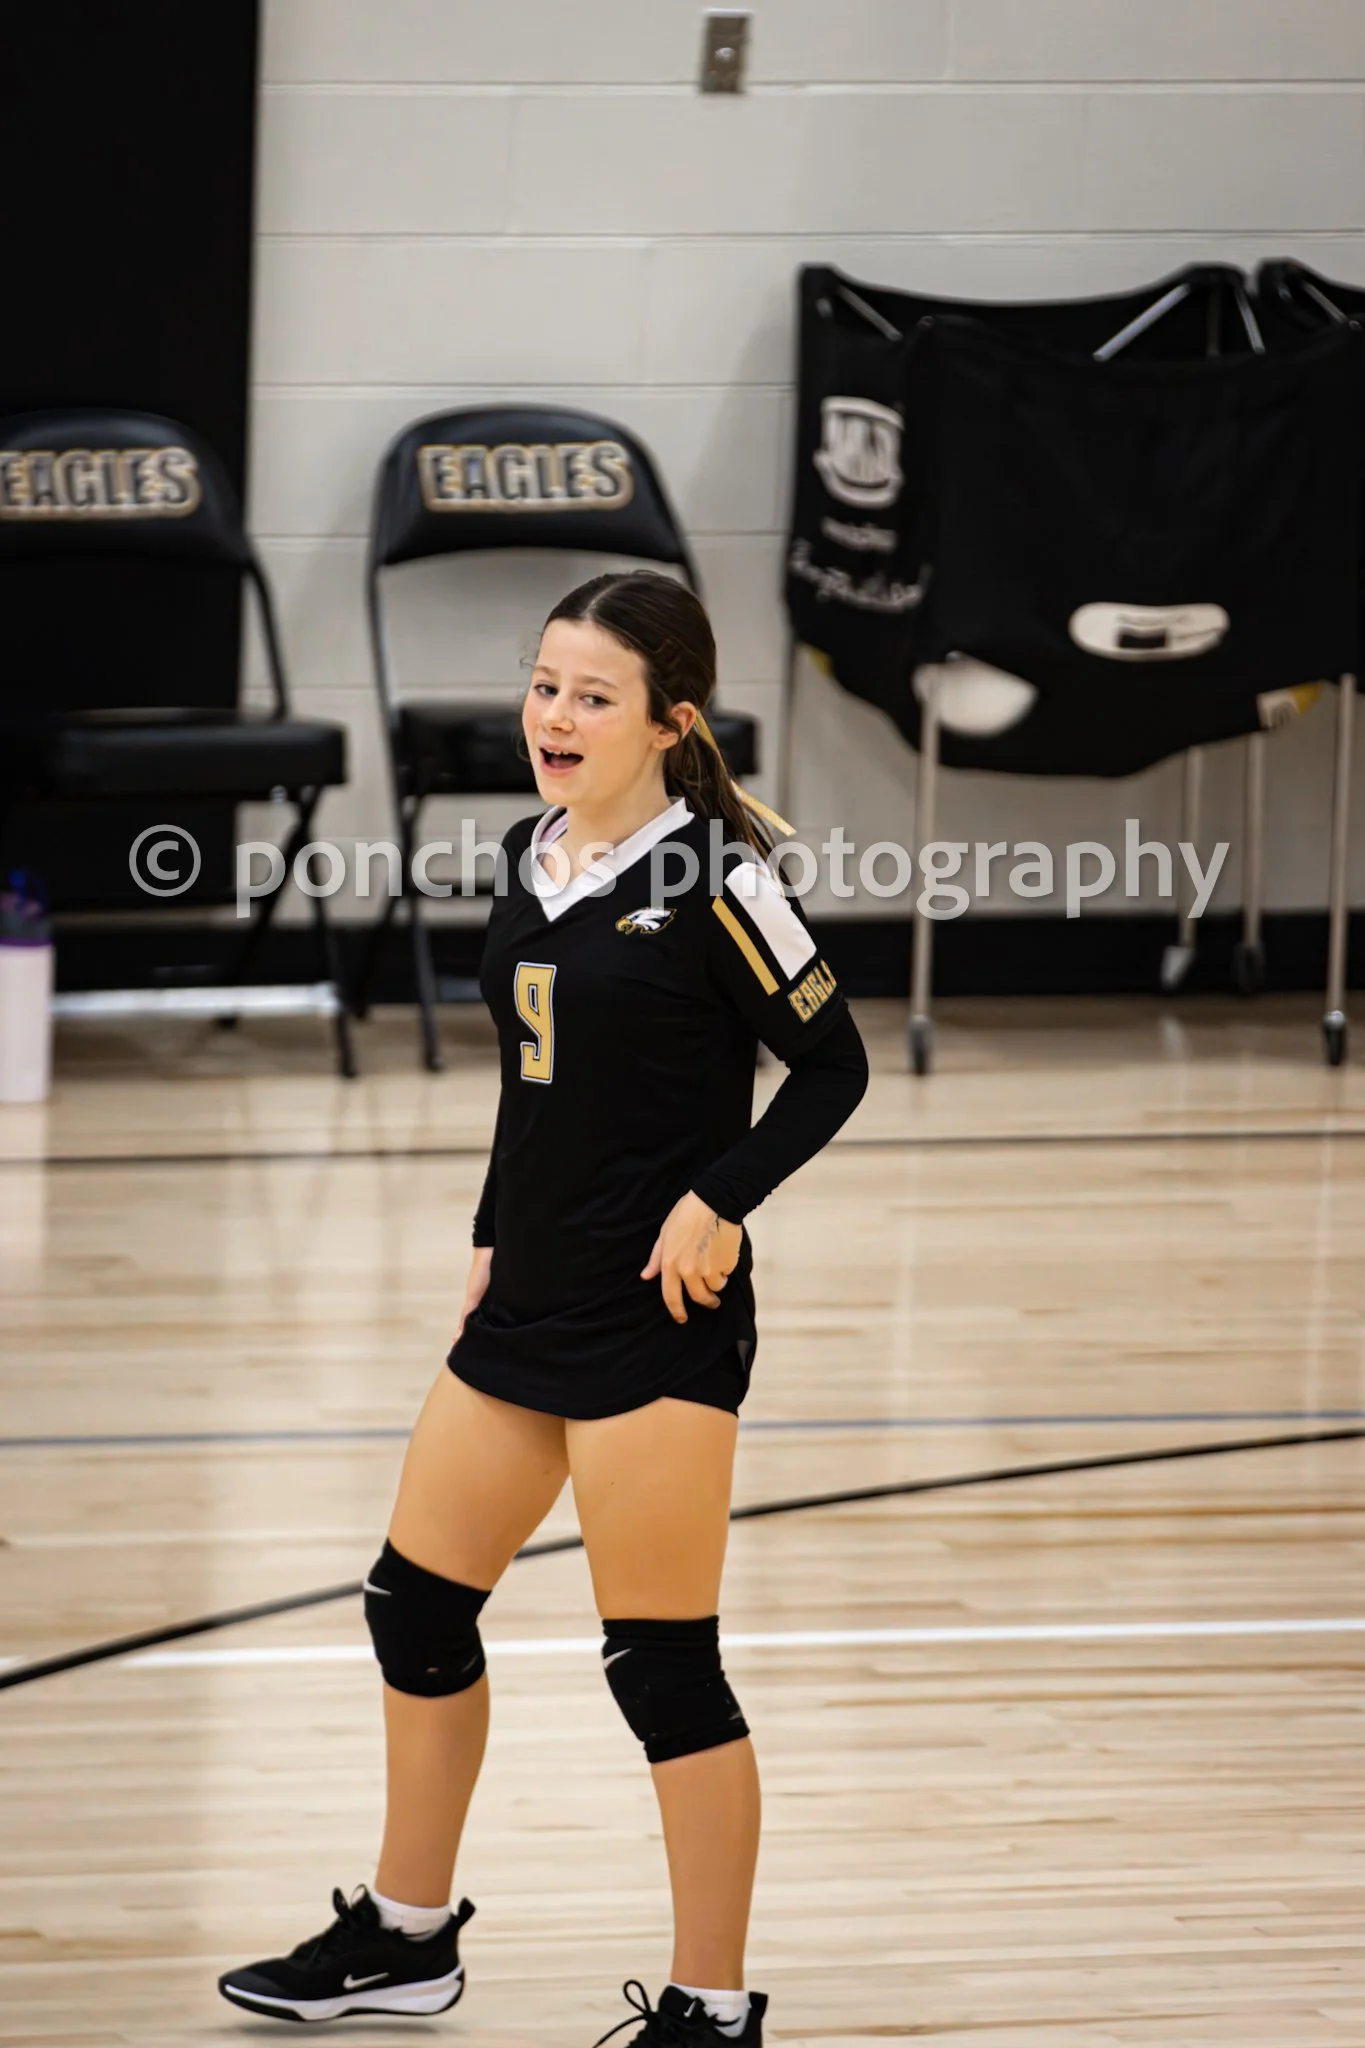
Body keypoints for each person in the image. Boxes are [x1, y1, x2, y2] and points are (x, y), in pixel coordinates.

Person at [217, 570, 869, 2044]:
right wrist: (489, 1229)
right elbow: (535, 1077)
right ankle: (406, 1937)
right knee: (414, 1604)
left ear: (672, 722)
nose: (553, 717)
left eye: (593, 696)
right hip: (530, 1298)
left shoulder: (724, 881)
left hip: (656, 1318)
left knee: (660, 1669)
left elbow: (833, 1067)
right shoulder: (533, 849)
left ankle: (711, 2009)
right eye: (543, 684)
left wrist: (722, 1199)